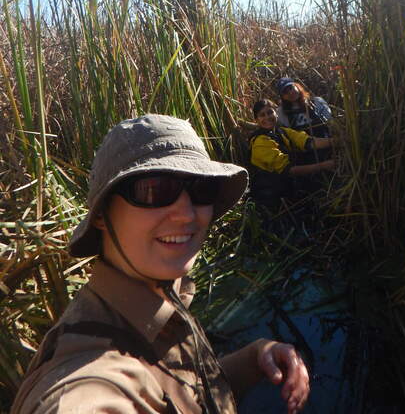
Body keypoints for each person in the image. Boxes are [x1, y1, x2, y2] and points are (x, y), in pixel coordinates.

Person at [12, 114, 310, 414]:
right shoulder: (87, 382)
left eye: (202, 188)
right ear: (102, 215)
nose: (187, 213)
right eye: (154, 190)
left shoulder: (164, 302)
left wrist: (255, 357)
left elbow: (185, 394)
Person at [249, 99, 334, 211]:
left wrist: (335, 141)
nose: (267, 117)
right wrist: (323, 166)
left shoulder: (282, 132)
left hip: (287, 185)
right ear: (256, 120)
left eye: (270, 112)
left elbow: (308, 142)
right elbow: (288, 170)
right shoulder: (260, 142)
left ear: (275, 113)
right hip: (272, 197)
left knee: (316, 153)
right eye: (262, 115)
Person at [276, 78, 332, 164]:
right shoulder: (281, 113)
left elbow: (330, 124)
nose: (290, 93)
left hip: (328, 147)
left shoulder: (317, 102)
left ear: (297, 86)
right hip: (304, 155)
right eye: (285, 92)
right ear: (282, 97)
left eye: (291, 88)